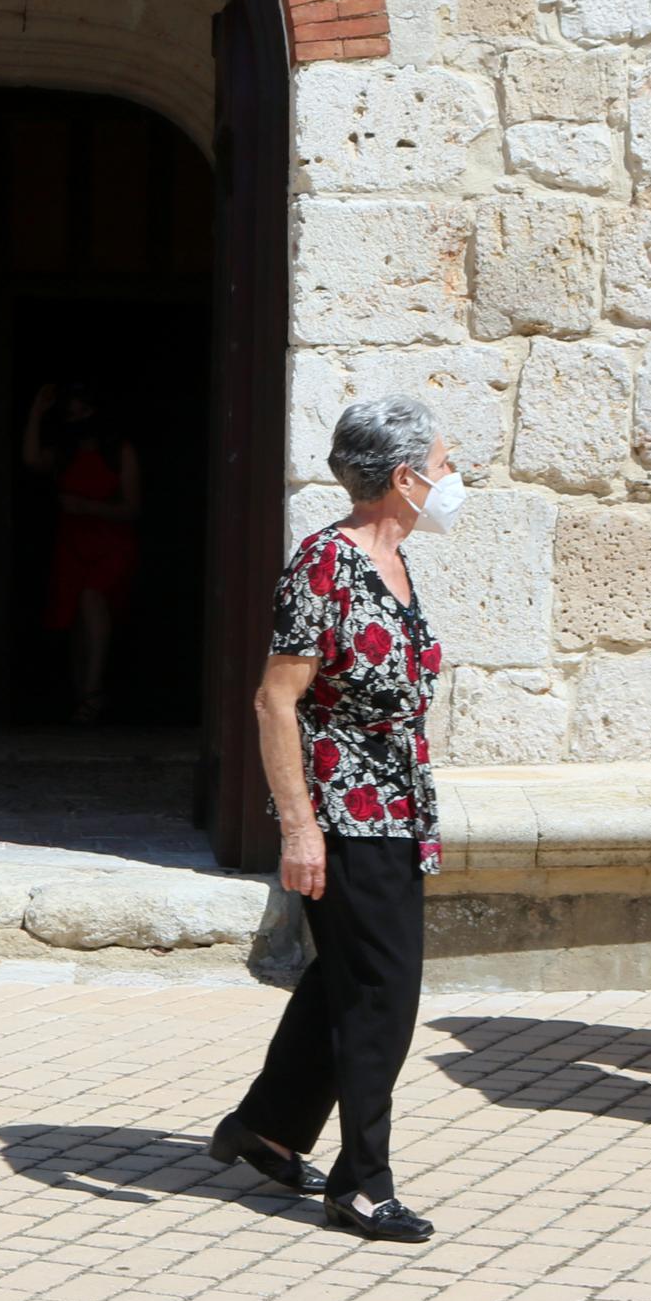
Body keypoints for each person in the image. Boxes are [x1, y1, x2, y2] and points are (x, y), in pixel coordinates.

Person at [211, 396, 457, 1243]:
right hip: (346, 809)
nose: (449, 479)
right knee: (382, 994)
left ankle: (265, 1128)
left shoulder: (393, 559)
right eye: (442, 464)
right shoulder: (325, 562)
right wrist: (298, 829)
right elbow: (276, 701)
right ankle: (362, 1183)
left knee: (347, 978)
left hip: (397, 802)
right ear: (403, 477)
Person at [26, 381, 140, 723]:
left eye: (84, 411)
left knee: (93, 600)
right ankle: (83, 701)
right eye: (71, 412)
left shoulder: (120, 450)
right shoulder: (65, 449)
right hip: (71, 542)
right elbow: (31, 459)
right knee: (75, 617)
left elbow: (133, 508)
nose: (78, 418)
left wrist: (87, 507)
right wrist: (36, 412)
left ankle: (93, 694)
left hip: (111, 542)